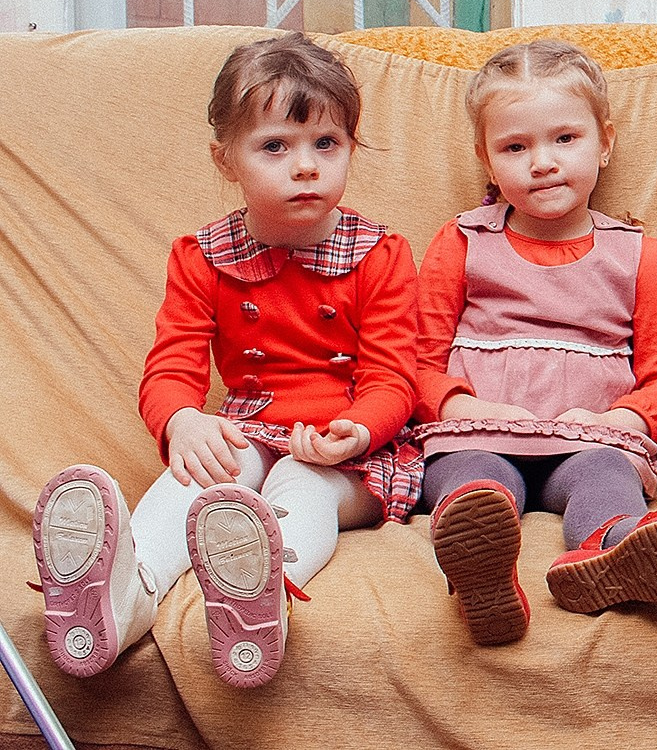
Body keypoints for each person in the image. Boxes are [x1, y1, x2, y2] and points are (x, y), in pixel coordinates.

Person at [31, 34, 422, 689]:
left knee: (302, 485)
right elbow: (171, 368)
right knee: (205, 474)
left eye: (326, 144)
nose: (306, 167)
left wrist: (358, 429)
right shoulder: (202, 257)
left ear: (350, 149)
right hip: (251, 424)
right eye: (275, 146)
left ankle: (264, 596)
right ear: (226, 159)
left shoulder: (381, 255)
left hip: (348, 449)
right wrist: (182, 420)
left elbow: (392, 376)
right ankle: (123, 597)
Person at [413, 41, 657, 646]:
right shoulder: (462, 242)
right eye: (515, 147)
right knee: (474, 480)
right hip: (480, 434)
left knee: (604, 478)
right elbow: (414, 360)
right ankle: (478, 568)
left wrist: (616, 420)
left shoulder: (637, 254)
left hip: (588, 442)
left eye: (565, 139)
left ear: (605, 143)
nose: (542, 163)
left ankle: (615, 551)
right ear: (486, 160)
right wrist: (463, 406)